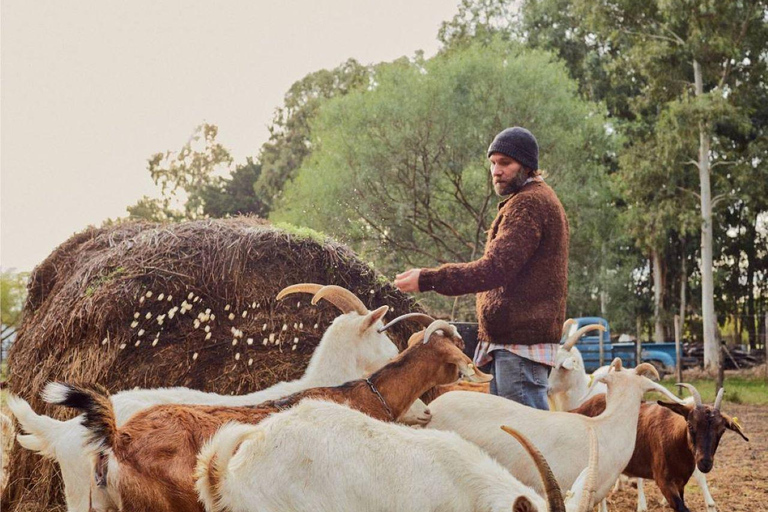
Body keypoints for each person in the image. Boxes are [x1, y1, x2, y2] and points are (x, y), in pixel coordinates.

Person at [394, 126, 569, 410]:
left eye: (505, 163)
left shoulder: (529, 204)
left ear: (527, 167)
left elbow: (493, 270)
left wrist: (427, 279)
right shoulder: (531, 200)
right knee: (510, 439)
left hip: (519, 351)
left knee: (524, 442)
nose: (496, 171)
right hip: (513, 348)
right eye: (493, 163)